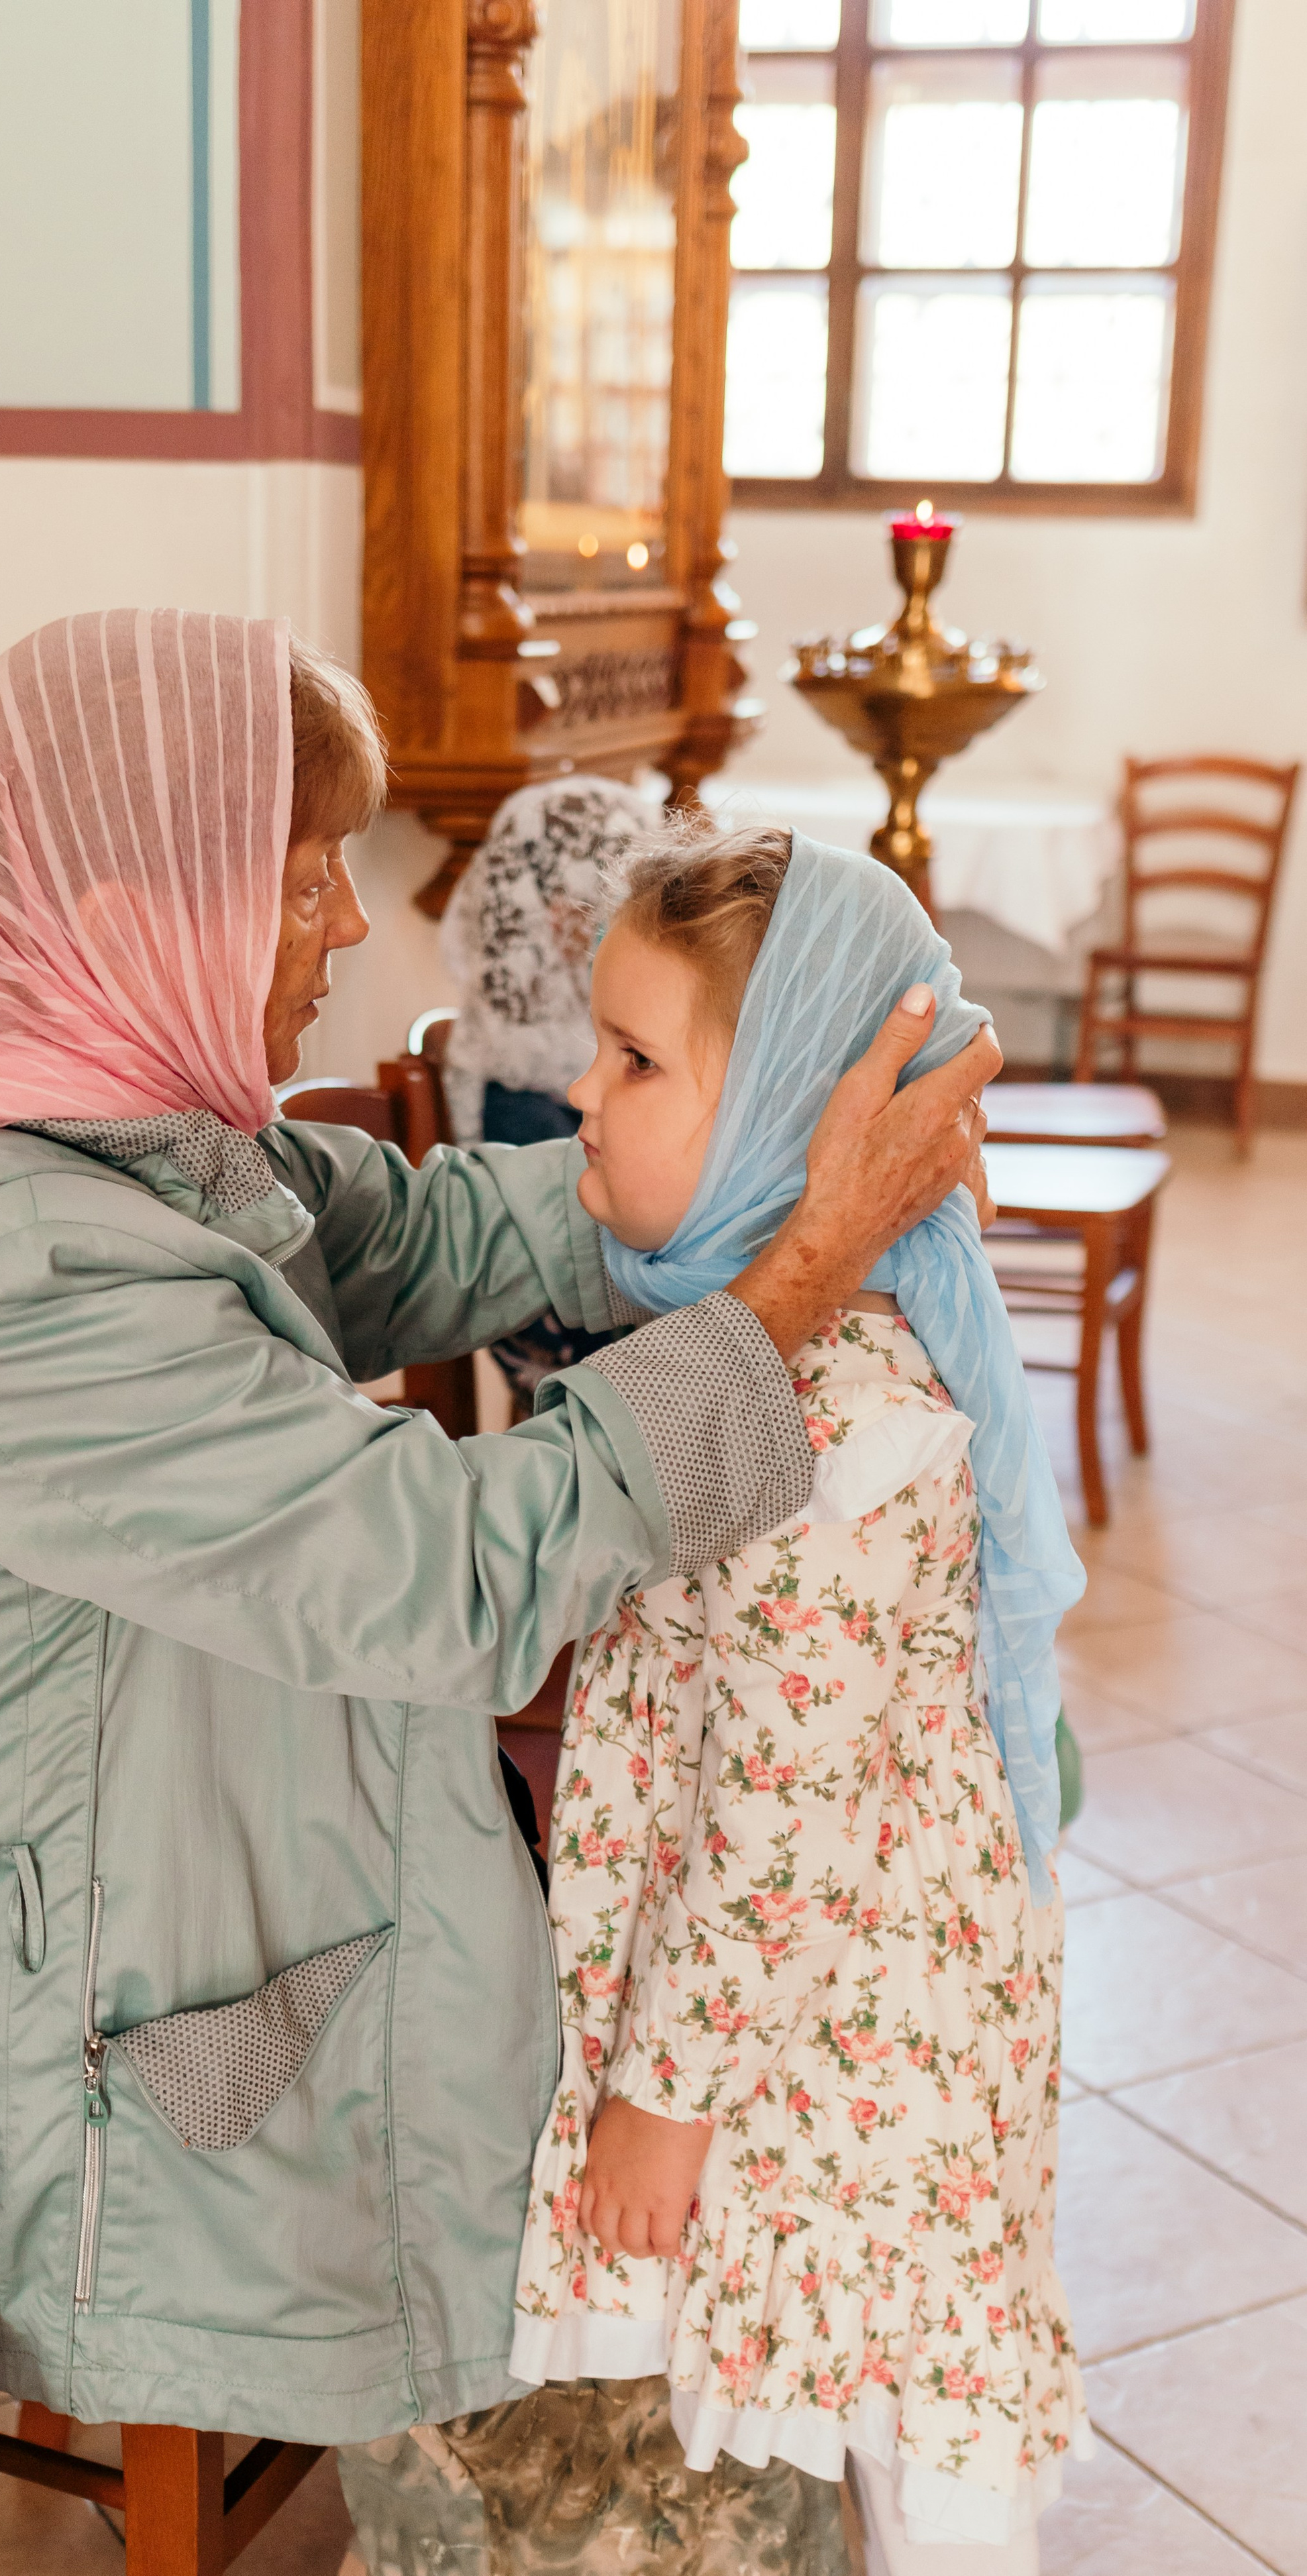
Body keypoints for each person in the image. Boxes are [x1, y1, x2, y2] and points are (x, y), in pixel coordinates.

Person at [0, 613, 997, 2479]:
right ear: (133, 910)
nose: (348, 927)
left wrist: (714, 1166)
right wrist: (792, 1280)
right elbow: (441, 1575)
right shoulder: (3, 1258)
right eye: (303, 880)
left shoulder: (44, 1076)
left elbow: (392, 1234)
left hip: (30, 1910)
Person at [486, 826, 1087, 2576]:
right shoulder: (752, 1353)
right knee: (848, 2443)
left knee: (913, 2460)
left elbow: (776, 1826)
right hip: (803, 2039)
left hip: (838, 2069)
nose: (579, 1093)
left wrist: (661, 2101)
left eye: (638, 1060)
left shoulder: (841, 1423)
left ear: (792, 1126)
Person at [440, 776, 654, 1413]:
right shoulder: (515, 1084)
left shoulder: (596, 1045)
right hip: (581, 1356)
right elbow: (573, 1275)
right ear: (558, 918)